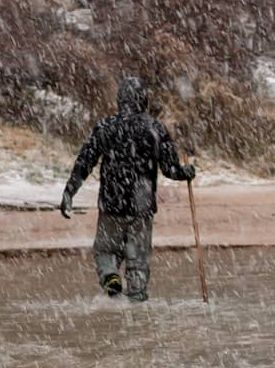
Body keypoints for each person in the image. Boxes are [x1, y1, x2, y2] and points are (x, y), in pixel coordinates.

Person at [60, 76, 195, 302]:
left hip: (112, 203)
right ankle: (137, 295)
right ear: (144, 100)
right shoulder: (155, 128)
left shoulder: (105, 127)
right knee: (138, 259)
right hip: (141, 205)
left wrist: (69, 192)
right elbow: (171, 169)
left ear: (120, 100)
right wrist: (186, 172)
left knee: (106, 250)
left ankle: (111, 276)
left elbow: (85, 161)